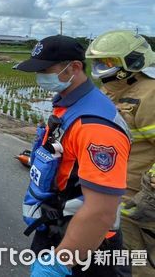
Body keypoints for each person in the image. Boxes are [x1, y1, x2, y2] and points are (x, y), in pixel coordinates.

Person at [15, 35, 131, 276]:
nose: (40, 77)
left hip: (86, 245)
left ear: (74, 68)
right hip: (59, 225)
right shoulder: (69, 105)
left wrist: (60, 262)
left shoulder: (95, 127)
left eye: (45, 70)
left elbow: (101, 211)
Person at [86, 30, 155, 276]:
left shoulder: (150, 95)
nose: (103, 68)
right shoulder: (111, 91)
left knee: (137, 264)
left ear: (132, 62)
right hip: (109, 193)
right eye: (100, 62)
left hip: (136, 199)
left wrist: (150, 192)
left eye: (109, 62)